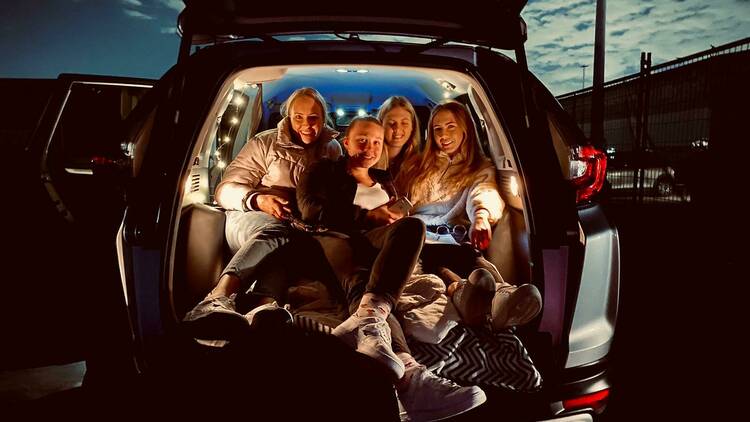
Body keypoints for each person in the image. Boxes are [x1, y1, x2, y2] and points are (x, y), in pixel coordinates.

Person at [297, 116, 487, 421]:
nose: (369, 148)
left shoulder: (385, 179)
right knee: (364, 281)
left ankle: (369, 321)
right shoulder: (324, 169)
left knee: (412, 227)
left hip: (377, 243)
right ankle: (411, 377)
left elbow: (399, 218)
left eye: (376, 142)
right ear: (346, 142)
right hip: (334, 236)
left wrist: (397, 213)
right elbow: (310, 211)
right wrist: (368, 217)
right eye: (362, 140)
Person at [182, 87, 342, 336]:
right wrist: (258, 199)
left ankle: (262, 310)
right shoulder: (264, 143)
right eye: (298, 117)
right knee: (278, 230)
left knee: (289, 242)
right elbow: (224, 191)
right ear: (288, 117)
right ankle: (216, 297)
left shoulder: (332, 149)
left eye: (313, 118)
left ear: (323, 118)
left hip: (294, 226)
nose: (306, 125)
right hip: (247, 217)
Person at [397, 101, 543, 330]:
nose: (444, 135)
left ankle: (504, 295)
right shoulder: (417, 165)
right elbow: (399, 199)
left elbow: (483, 192)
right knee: (438, 265)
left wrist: (481, 218)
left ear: (465, 128)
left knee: (472, 259)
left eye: (450, 126)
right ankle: (468, 296)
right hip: (419, 235)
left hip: (453, 238)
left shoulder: (479, 167)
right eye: (437, 129)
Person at [374, 95, 422, 178]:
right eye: (391, 123)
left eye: (404, 123)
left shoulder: (420, 165)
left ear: (412, 127)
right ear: (381, 126)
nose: (397, 129)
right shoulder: (368, 160)